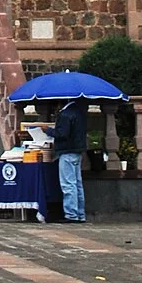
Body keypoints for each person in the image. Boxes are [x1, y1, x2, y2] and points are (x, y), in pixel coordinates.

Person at [52, 95, 89, 223]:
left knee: (68, 184)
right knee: (77, 184)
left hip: (67, 151)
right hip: (77, 151)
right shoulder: (79, 112)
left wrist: (49, 131)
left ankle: (71, 214)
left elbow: (62, 134)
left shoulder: (65, 114)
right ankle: (80, 213)